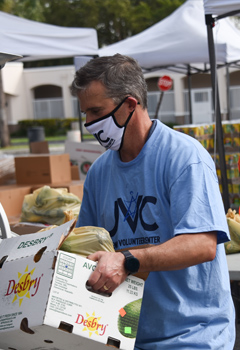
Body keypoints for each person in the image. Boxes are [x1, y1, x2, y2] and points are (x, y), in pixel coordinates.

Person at [70, 54, 235, 349]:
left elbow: (203, 244)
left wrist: (128, 260)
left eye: (96, 112)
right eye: (85, 114)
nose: (89, 124)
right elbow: (87, 248)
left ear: (130, 105)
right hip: (124, 335)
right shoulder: (98, 173)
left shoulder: (185, 157)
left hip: (192, 336)